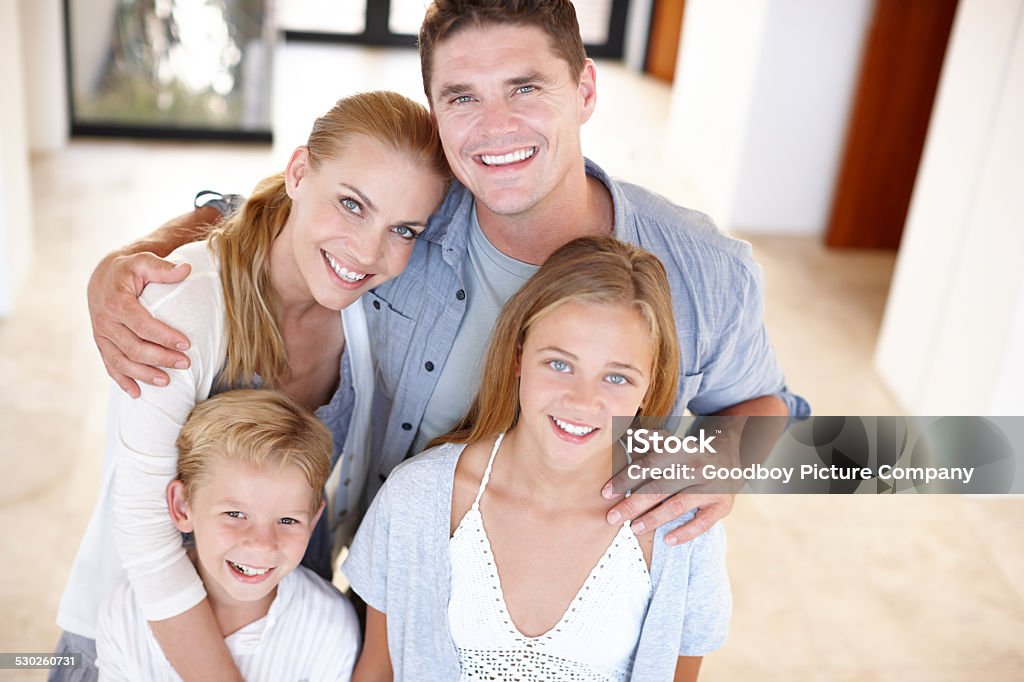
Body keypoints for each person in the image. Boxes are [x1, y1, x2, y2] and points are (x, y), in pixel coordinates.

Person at [85, 0, 808, 555]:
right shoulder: (410, 218)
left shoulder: (704, 268)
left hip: (566, 606)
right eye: (463, 97)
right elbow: (275, 219)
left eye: (525, 88)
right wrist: (129, 261)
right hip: (389, 582)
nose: (494, 128)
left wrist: (721, 459)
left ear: (586, 88)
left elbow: (776, 410)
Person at [54, 91, 449, 682]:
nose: (369, 252)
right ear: (297, 172)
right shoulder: (186, 310)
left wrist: (640, 474)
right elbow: (145, 537)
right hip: (151, 625)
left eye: (404, 229)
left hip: (284, 608)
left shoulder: (374, 313)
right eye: (350, 204)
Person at [345, 236, 731, 681]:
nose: (583, 401)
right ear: (518, 356)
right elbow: (377, 669)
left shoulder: (681, 524)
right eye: (560, 365)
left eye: (617, 377)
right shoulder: (417, 497)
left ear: (649, 387)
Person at [95, 389, 361, 681]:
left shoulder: (328, 628)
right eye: (235, 515)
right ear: (183, 507)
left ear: (313, 522)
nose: (262, 544)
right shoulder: (127, 612)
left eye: (287, 520)